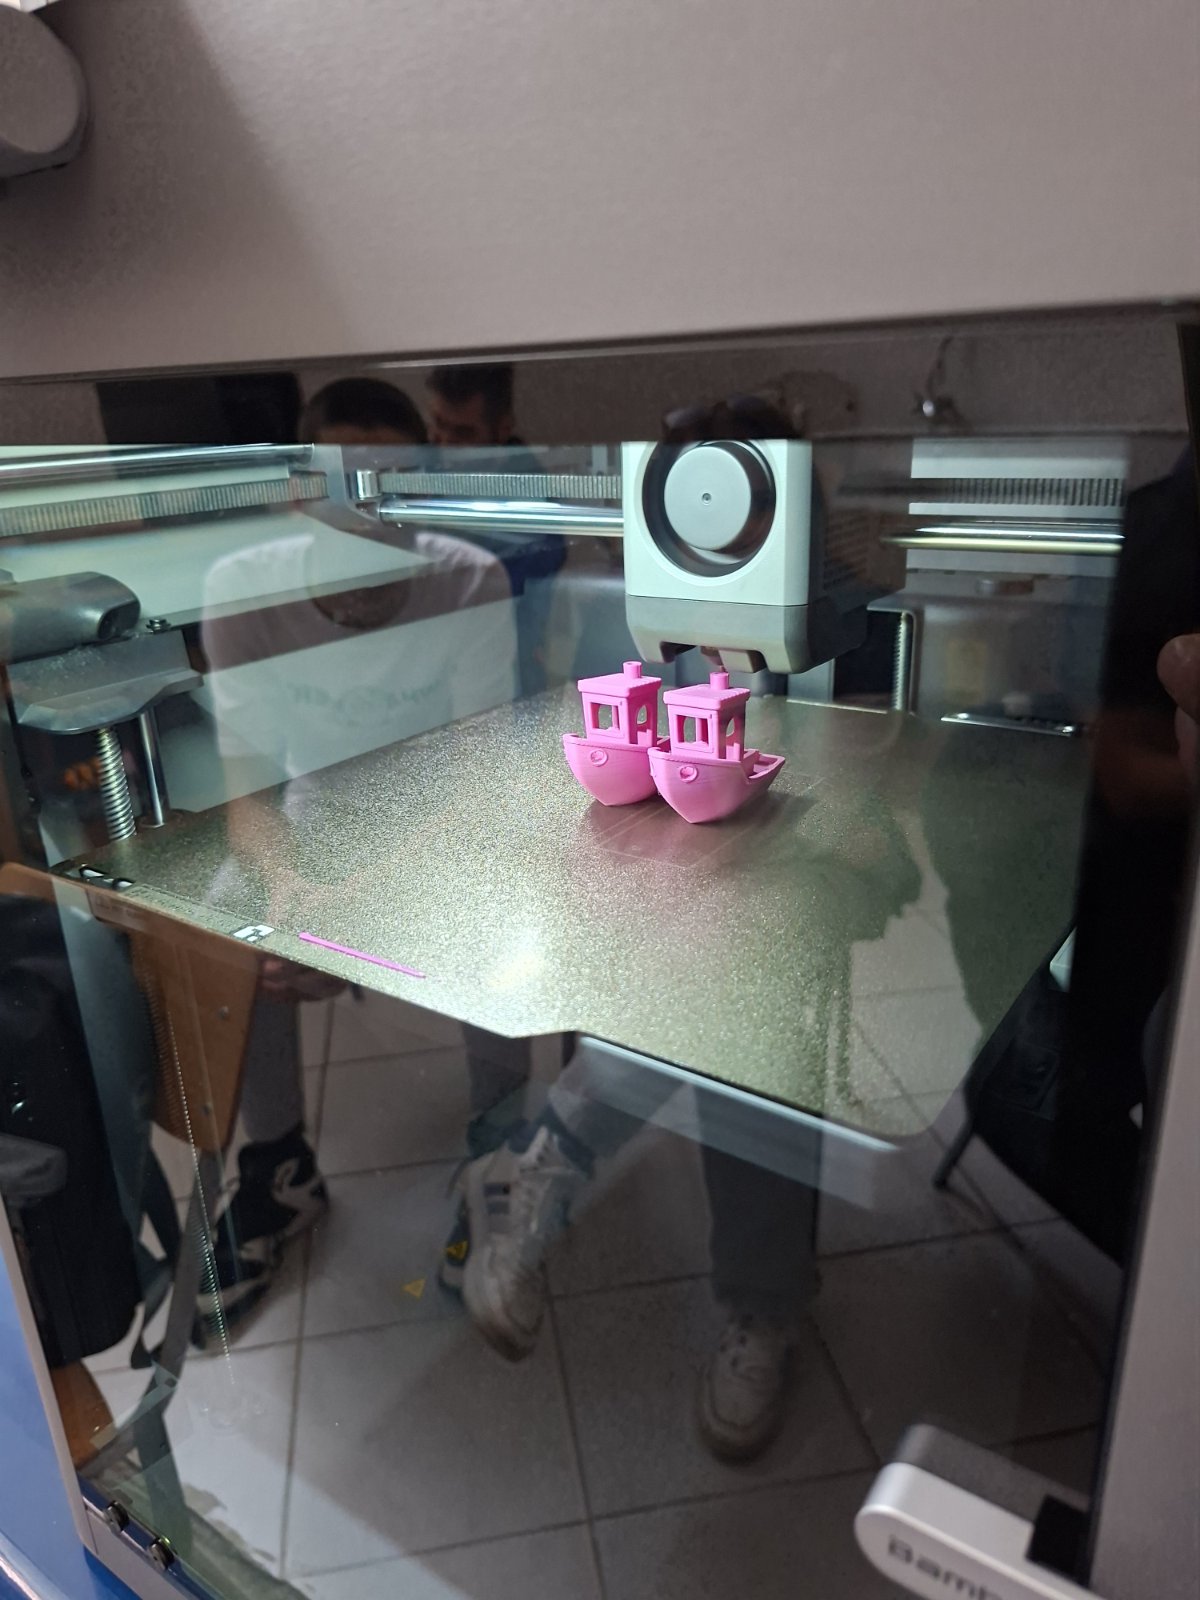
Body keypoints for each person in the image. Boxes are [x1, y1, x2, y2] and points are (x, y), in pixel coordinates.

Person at [450, 396, 922, 1461]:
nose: (712, 541)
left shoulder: (851, 614)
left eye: (737, 509)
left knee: (748, 1024)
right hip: (669, 875)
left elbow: (873, 790)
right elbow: (597, 737)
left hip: (804, 871)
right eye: (685, 515)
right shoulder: (645, 609)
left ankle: (559, 1162)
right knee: (710, 1003)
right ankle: (758, 1296)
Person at [201, 377, 518, 1333]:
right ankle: (278, 1167)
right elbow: (249, 794)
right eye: (347, 492)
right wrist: (289, 892)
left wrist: (353, 918)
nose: (371, 521)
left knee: (507, 901)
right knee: (227, 915)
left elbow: (475, 790)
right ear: (302, 494)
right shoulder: (242, 588)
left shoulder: (468, 579)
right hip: (318, 811)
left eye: (393, 491)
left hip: (438, 818)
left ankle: (499, 1154)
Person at [426, 363, 543, 475]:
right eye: (438, 423)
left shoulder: (528, 484)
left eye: (463, 433)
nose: (444, 446)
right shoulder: (423, 470)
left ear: (503, 430)